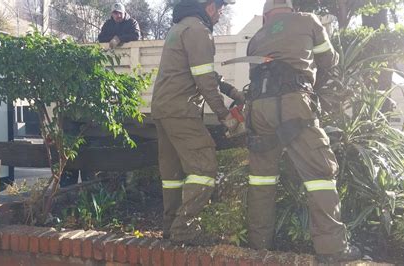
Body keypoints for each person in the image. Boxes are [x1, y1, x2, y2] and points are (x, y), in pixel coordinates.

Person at [243, 0, 362, 263]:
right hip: (293, 104)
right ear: (290, 8)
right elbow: (329, 60)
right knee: (320, 174)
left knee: (261, 179)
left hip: (258, 108)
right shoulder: (308, 21)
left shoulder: (257, 37)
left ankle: (258, 245)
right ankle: (332, 249)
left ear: (266, 17)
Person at [151, 0, 241, 245]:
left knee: (172, 174)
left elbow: (198, 71)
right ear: (209, 6)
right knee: (204, 167)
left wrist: (231, 90)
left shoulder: (178, 28)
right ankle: (185, 229)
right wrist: (226, 117)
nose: (221, 14)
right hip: (182, 110)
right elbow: (204, 81)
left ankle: (170, 227)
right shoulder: (199, 31)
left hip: (163, 109)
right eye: (220, 8)